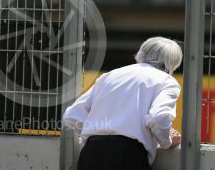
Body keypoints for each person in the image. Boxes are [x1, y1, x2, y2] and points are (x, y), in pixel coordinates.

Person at [63, 37, 183, 170]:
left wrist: (98, 131)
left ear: (140, 54)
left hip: (91, 152)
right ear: (172, 64)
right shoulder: (167, 81)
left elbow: (72, 115)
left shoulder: (109, 75)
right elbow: (159, 117)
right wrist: (167, 142)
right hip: (128, 155)